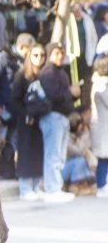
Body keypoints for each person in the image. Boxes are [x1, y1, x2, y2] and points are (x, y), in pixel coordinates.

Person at [39, 42, 80, 203]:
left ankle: (56, 186)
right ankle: (52, 188)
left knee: (60, 154)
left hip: (63, 116)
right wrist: (70, 91)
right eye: (56, 53)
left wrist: (73, 94)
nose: (60, 56)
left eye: (62, 53)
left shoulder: (61, 72)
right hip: (52, 115)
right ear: (50, 54)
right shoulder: (48, 72)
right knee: (53, 154)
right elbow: (52, 94)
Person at [10, 45, 47, 200]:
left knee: (38, 152)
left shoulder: (43, 76)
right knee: (25, 152)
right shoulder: (21, 75)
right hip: (25, 121)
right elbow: (14, 100)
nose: (39, 58)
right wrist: (26, 114)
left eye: (42, 55)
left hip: (39, 119)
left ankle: (35, 186)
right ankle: (25, 188)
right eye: (35, 55)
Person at [62, 112, 96, 192]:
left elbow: (85, 150)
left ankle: (84, 183)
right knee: (80, 160)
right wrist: (85, 135)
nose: (82, 127)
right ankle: (75, 184)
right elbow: (79, 151)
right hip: (64, 168)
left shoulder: (80, 134)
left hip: (72, 167)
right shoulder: (66, 136)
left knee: (86, 160)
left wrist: (92, 162)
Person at [90, 55, 108, 197]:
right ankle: (101, 185)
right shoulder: (101, 84)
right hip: (103, 127)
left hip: (104, 127)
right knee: (103, 158)